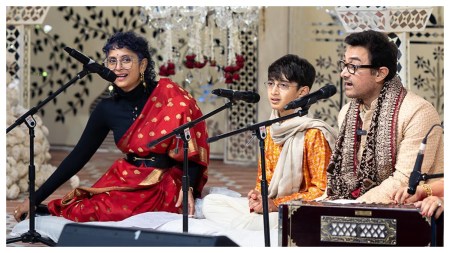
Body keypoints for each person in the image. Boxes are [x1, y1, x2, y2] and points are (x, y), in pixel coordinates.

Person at [13, 31, 209, 222]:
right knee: (86, 209)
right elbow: (78, 156)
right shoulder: (107, 109)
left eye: (126, 60)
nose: (118, 67)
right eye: (112, 60)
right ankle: (40, 211)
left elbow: (190, 151)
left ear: (142, 65)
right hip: (127, 179)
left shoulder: (170, 96)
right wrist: (34, 198)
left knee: (124, 213)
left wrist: (188, 187)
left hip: (165, 182)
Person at [202, 54, 337, 230]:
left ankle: (247, 229)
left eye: (283, 85)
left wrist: (276, 204)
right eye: (271, 83)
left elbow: (321, 192)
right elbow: (262, 181)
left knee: (251, 223)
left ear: (302, 92)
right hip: (270, 207)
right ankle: (248, 228)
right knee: (211, 203)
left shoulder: (313, 133)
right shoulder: (269, 127)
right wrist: (257, 196)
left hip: (296, 211)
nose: (274, 91)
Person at [325, 30, 443, 203]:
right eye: (344, 64)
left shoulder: (417, 112)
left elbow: (404, 180)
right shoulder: (346, 113)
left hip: (412, 214)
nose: (344, 73)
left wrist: (353, 209)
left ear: (380, 73)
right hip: (353, 207)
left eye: (353, 66)